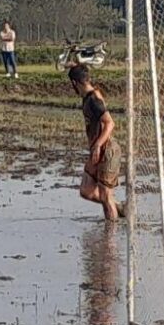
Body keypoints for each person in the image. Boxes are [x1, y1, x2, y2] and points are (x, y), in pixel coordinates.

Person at [68, 64, 122, 221]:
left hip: (107, 149)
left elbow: (110, 123)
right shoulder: (87, 97)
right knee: (86, 190)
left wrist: (98, 145)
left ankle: (110, 239)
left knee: (105, 196)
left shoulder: (93, 100)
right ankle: (117, 208)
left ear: (74, 83)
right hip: (96, 149)